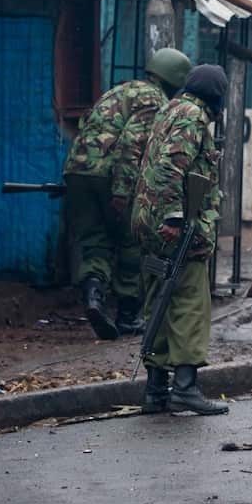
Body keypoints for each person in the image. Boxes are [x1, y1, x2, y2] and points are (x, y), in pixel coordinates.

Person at [63, 48, 193, 341]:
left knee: (95, 241)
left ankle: (94, 297)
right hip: (110, 176)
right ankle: (128, 315)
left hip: (77, 172)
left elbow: (88, 127)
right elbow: (130, 147)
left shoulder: (119, 91)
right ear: (175, 81)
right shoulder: (155, 100)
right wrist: (122, 193)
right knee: (131, 242)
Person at [132, 64, 228, 416]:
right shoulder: (193, 117)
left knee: (159, 300)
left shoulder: (169, 109)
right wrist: (175, 216)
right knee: (189, 303)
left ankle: (155, 390)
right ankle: (185, 388)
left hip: (148, 221)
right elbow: (171, 167)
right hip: (177, 227)